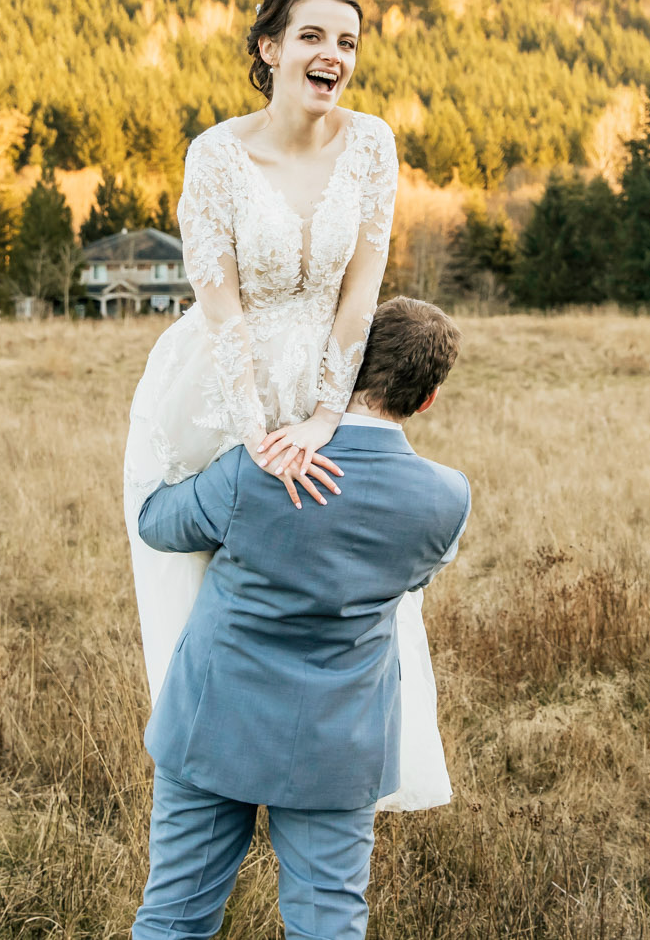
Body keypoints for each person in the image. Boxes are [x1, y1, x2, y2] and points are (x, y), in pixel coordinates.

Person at [121, 0, 452, 812]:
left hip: (327, 377)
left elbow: (361, 291)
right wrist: (258, 433)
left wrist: (323, 414)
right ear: (270, 50)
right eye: (312, 37)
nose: (332, 55)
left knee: (325, 565)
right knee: (217, 574)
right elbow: (218, 297)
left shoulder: (374, 144)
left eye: (346, 42)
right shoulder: (216, 154)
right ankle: (215, 765)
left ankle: (322, 764)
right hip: (217, 380)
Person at [132, 297, 470, 939]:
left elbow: (157, 524)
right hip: (339, 743)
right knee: (328, 927)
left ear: (336, 364)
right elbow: (416, 578)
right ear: (425, 401)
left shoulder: (255, 468)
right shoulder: (445, 498)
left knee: (175, 919)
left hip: (214, 720)